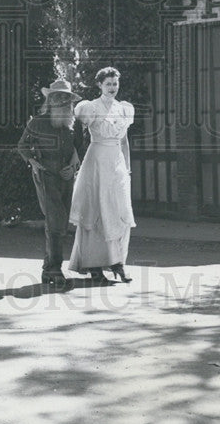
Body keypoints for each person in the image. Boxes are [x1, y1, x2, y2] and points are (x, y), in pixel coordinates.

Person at [68, 67, 136, 284]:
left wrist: (127, 169)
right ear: (99, 85)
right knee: (97, 209)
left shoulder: (124, 109)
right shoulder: (90, 107)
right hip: (96, 160)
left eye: (115, 84)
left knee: (118, 211)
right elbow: (76, 134)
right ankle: (94, 265)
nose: (112, 88)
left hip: (116, 163)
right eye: (108, 84)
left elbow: (124, 141)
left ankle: (118, 264)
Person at [17, 79, 84, 287]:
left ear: (70, 101)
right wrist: (34, 163)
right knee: (55, 220)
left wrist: (73, 166)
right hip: (46, 175)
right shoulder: (37, 122)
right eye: (57, 97)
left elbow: (80, 148)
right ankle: (55, 269)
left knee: (60, 222)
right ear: (50, 99)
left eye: (65, 97)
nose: (61, 101)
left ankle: (48, 269)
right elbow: (22, 146)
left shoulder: (75, 124)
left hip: (67, 175)